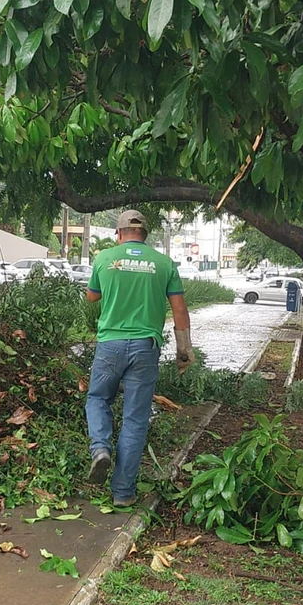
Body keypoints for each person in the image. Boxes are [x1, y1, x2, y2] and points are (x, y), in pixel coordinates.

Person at [85, 210, 193, 507]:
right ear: (145, 234)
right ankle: (123, 493)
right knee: (135, 419)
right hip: (146, 348)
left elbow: (92, 296)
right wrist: (184, 351)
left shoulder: (105, 258)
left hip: (110, 345)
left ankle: (100, 449)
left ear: (118, 233)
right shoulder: (164, 264)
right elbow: (180, 310)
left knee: (97, 398)